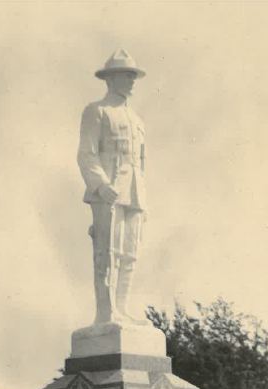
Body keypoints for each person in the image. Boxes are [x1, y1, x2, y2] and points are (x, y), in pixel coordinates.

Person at [77, 49, 147, 323]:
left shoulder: (138, 120)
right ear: (110, 79)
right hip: (109, 192)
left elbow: (141, 163)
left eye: (133, 76)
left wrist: (144, 200)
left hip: (135, 193)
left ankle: (123, 308)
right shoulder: (97, 111)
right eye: (126, 76)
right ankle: (106, 313)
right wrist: (100, 184)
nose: (131, 82)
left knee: (130, 254)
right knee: (108, 252)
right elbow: (86, 153)